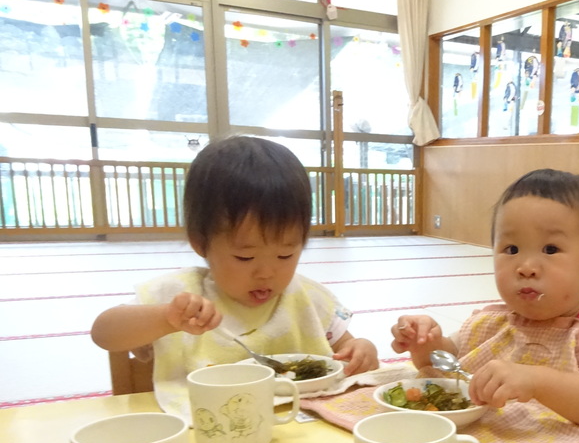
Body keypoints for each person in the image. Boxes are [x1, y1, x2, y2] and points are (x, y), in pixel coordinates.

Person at [91, 136, 378, 415]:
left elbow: (345, 349)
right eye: (245, 257)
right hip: (208, 431)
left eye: (285, 255)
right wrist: (165, 317)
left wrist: (361, 350)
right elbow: (104, 333)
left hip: (298, 434)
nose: (266, 273)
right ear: (200, 242)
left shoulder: (306, 298)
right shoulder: (181, 299)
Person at [391, 168, 579, 443]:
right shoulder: (489, 323)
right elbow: (446, 366)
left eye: (550, 249)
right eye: (511, 249)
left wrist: (536, 381)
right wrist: (426, 341)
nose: (525, 267)